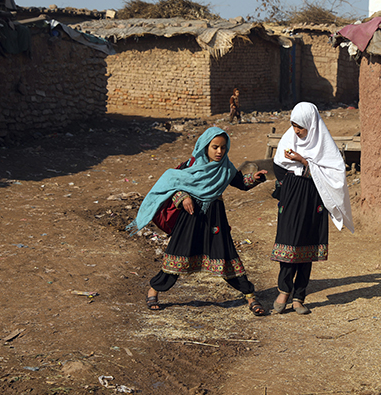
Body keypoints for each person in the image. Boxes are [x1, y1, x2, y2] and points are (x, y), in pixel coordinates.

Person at [128, 127, 268, 316]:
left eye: (223, 147)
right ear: (205, 146)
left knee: (226, 255)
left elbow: (241, 183)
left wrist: (255, 179)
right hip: (190, 217)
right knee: (178, 254)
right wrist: (183, 197)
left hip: (215, 219)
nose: (219, 151)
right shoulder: (190, 165)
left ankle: (250, 295)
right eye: (215, 147)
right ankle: (154, 290)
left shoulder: (226, 167)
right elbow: (172, 184)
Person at [270, 102, 354, 315]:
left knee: (306, 247)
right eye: (294, 125)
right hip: (292, 196)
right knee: (288, 243)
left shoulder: (323, 144)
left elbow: (335, 172)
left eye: (301, 126)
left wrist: (303, 161)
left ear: (312, 125)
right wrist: (286, 187)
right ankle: (283, 291)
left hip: (313, 197)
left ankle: (299, 297)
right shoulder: (288, 139)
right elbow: (278, 165)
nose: (296, 130)